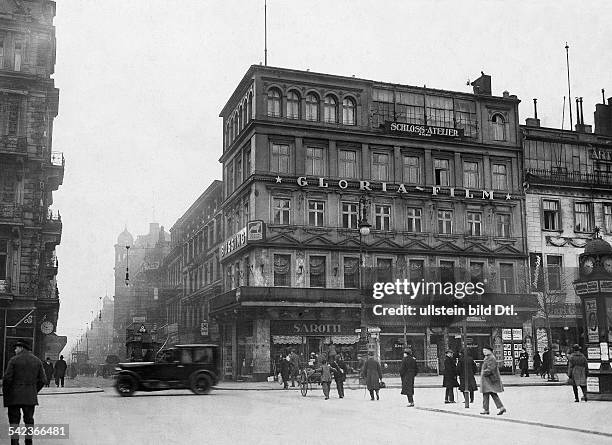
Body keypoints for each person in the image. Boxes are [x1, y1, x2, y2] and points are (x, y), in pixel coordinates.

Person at [2, 339, 47, 445]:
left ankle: (14, 442)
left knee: (14, 421)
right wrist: (34, 390)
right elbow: (43, 380)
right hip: (30, 396)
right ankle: (28, 441)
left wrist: (7, 393)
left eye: (16, 348)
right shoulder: (37, 361)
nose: (15, 350)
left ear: (21, 348)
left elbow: (7, 379)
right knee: (29, 420)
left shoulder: (13, 360)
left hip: (14, 396)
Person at [480, 345, 506, 415]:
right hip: (488, 379)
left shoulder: (491, 358)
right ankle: (500, 408)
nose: (484, 352)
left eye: (485, 350)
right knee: (490, 393)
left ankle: (487, 409)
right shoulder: (488, 357)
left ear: (489, 351)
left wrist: (484, 373)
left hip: (489, 379)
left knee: (487, 393)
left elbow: (491, 368)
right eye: (483, 351)